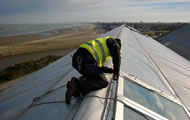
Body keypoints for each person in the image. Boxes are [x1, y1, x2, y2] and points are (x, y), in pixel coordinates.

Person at [65, 36, 121, 104]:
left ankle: (76, 82)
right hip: (86, 60)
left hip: (77, 60)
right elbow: (117, 58)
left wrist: (111, 70)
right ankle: (77, 88)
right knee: (103, 82)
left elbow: (99, 69)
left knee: (94, 75)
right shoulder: (113, 43)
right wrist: (116, 72)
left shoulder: (102, 44)